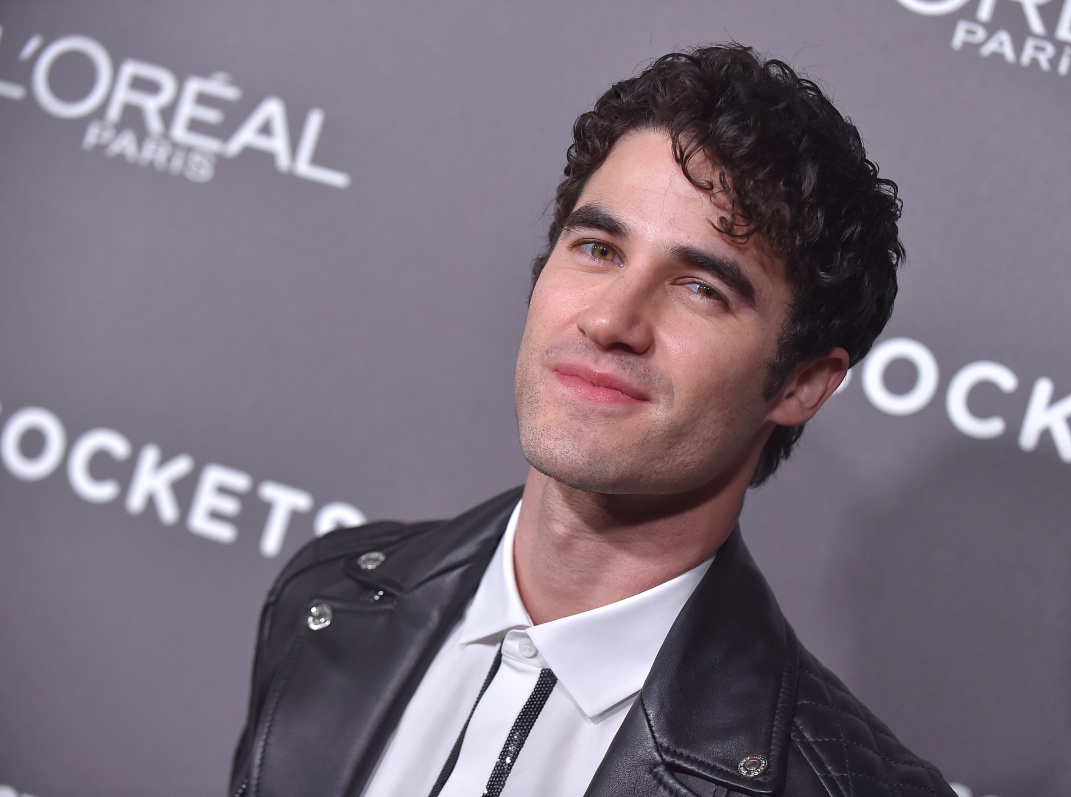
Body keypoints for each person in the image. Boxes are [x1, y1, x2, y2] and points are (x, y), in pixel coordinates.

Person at [230, 43, 956, 797]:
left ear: (804, 383)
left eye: (701, 287)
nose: (611, 319)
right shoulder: (328, 602)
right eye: (598, 247)